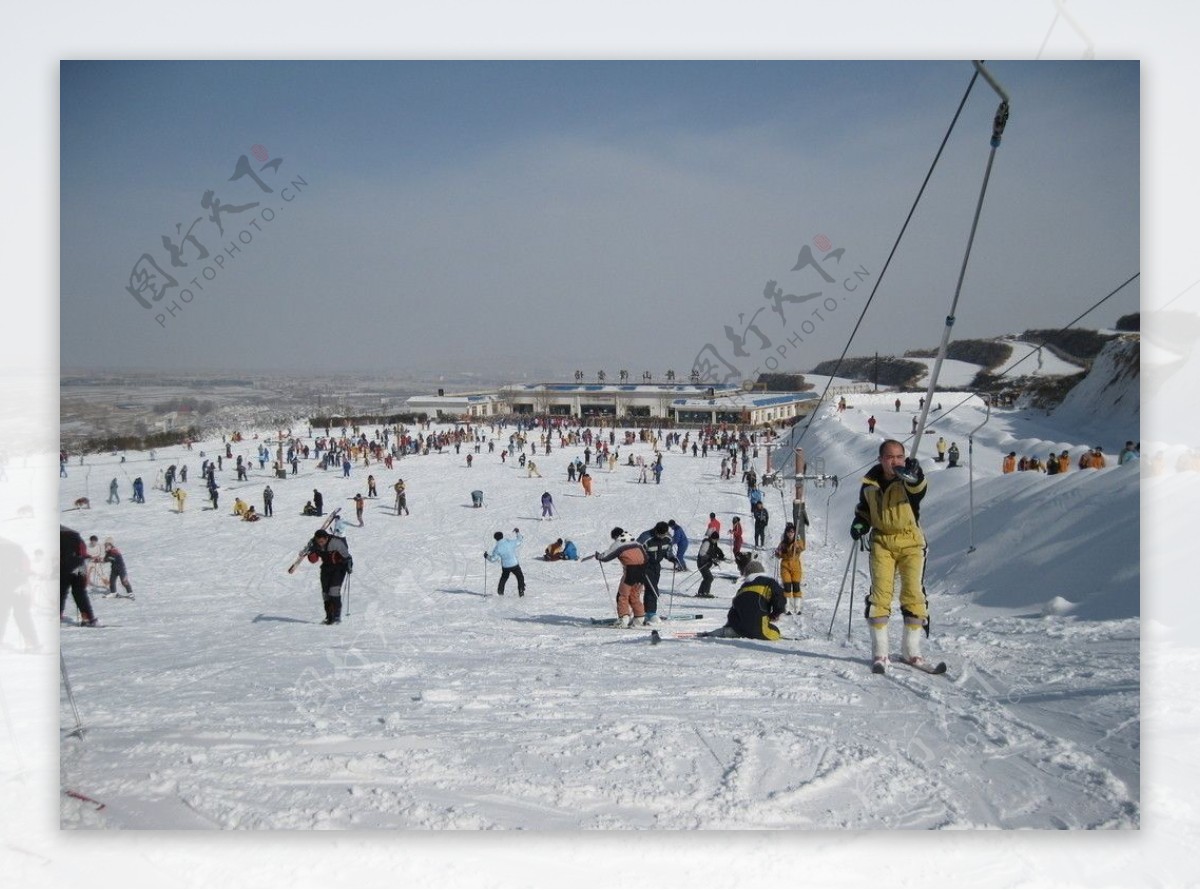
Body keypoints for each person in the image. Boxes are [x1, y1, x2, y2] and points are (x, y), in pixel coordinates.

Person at [850, 439, 930, 672]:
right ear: (880, 459)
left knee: (913, 592)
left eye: (899, 457)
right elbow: (864, 509)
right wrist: (860, 523)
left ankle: (911, 650)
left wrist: (915, 475)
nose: (895, 462)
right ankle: (880, 652)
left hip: (911, 541)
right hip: (882, 541)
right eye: (890, 457)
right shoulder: (869, 484)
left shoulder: (907, 480)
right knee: (881, 594)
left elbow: (918, 490)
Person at [698, 558, 786, 640]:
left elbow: (733, 612)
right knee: (776, 631)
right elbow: (780, 598)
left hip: (739, 628)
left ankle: (721, 632)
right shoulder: (769, 583)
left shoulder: (742, 588)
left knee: (736, 629)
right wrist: (775, 614)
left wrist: (728, 626)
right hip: (759, 631)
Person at [594, 527, 649, 627]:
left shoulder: (619, 543)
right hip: (642, 571)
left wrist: (598, 556)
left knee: (622, 595)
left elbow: (606, 557)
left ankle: (623, 619)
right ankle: (639, 617)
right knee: (635, 595)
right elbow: (646, 557)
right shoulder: (636, 542)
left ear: (615, 536)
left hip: (630, 572)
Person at [299, 528, 353, 625]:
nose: (320, 544)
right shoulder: (314, 544)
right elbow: (313, 560)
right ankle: (329, 616)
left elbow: (347, 556)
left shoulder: (336, 543)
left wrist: (349, 565)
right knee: (325, 594)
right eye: (318, 541)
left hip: (339, 567)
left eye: (322, 541)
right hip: (326, 568)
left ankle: (336, 616)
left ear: (326, 538)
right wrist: (310, 552)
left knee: (334, 591)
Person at [637, 520, 675, 625]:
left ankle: (648, 612)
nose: (661, 537)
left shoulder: (668, 538)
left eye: (663, 534)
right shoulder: (646, 537)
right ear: (656, 530)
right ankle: (650, 613)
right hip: (645, 565)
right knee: (652, 589)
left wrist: (671, 558)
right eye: (659, 534)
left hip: (656, 566)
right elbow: (636, 551)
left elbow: (668, 551)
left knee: (651, 588)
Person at [60, 525, 99, 626]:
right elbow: (83, 552)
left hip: (65, 567)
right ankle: (88, 619)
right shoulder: (76, 536)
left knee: (60, 592)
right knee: (80, 592)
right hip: (80, 567)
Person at [774, 521, 805, 614]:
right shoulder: (783, 543)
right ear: (786, 533)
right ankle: (787, 608)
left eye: (792, 532)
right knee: (787, 586)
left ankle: (797, 608)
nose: (790, 534)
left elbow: (802, 548)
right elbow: (777, 553)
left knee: (796, 586)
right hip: (785, 566)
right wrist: (778, 554)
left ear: (794, 533)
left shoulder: (797, 541)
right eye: (789, 532)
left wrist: (797, 547)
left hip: (796, 567)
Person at [485, 529, 525, 596]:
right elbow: (519, 540)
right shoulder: (509, 542)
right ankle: (521, 590)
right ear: (502, 536)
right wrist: (517, 532)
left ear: (495, 538)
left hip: (505, 566)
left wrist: (487, 556)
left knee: (504, 577)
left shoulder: (497, 548)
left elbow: (493, 559)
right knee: (520, 577)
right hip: (514, 564)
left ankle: (500, 591)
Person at [695, 530, 724, 598]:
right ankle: (705, 592)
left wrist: (720, 554)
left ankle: (701, 593)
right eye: (715, 539)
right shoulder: (707, 543)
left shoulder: (713, 543)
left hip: (706, 563)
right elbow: (702, 553)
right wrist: (711, 558)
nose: (716, 541)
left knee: (706, 578)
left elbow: (716, 549)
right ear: (712, 538)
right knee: (709, 578)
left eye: (717, 539)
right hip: (702, 563)